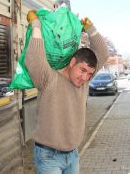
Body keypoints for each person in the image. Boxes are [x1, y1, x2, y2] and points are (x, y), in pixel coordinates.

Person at [25, 10, 109, 174]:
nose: (85, 77)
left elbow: (103, 54)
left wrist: (91, 28)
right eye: (82, 70)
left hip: (73, 154)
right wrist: (36, 25)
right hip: (48, 156)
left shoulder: (83, 82)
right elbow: (35, 60)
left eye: (89, 74)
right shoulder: (49, 79)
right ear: (72, 62)